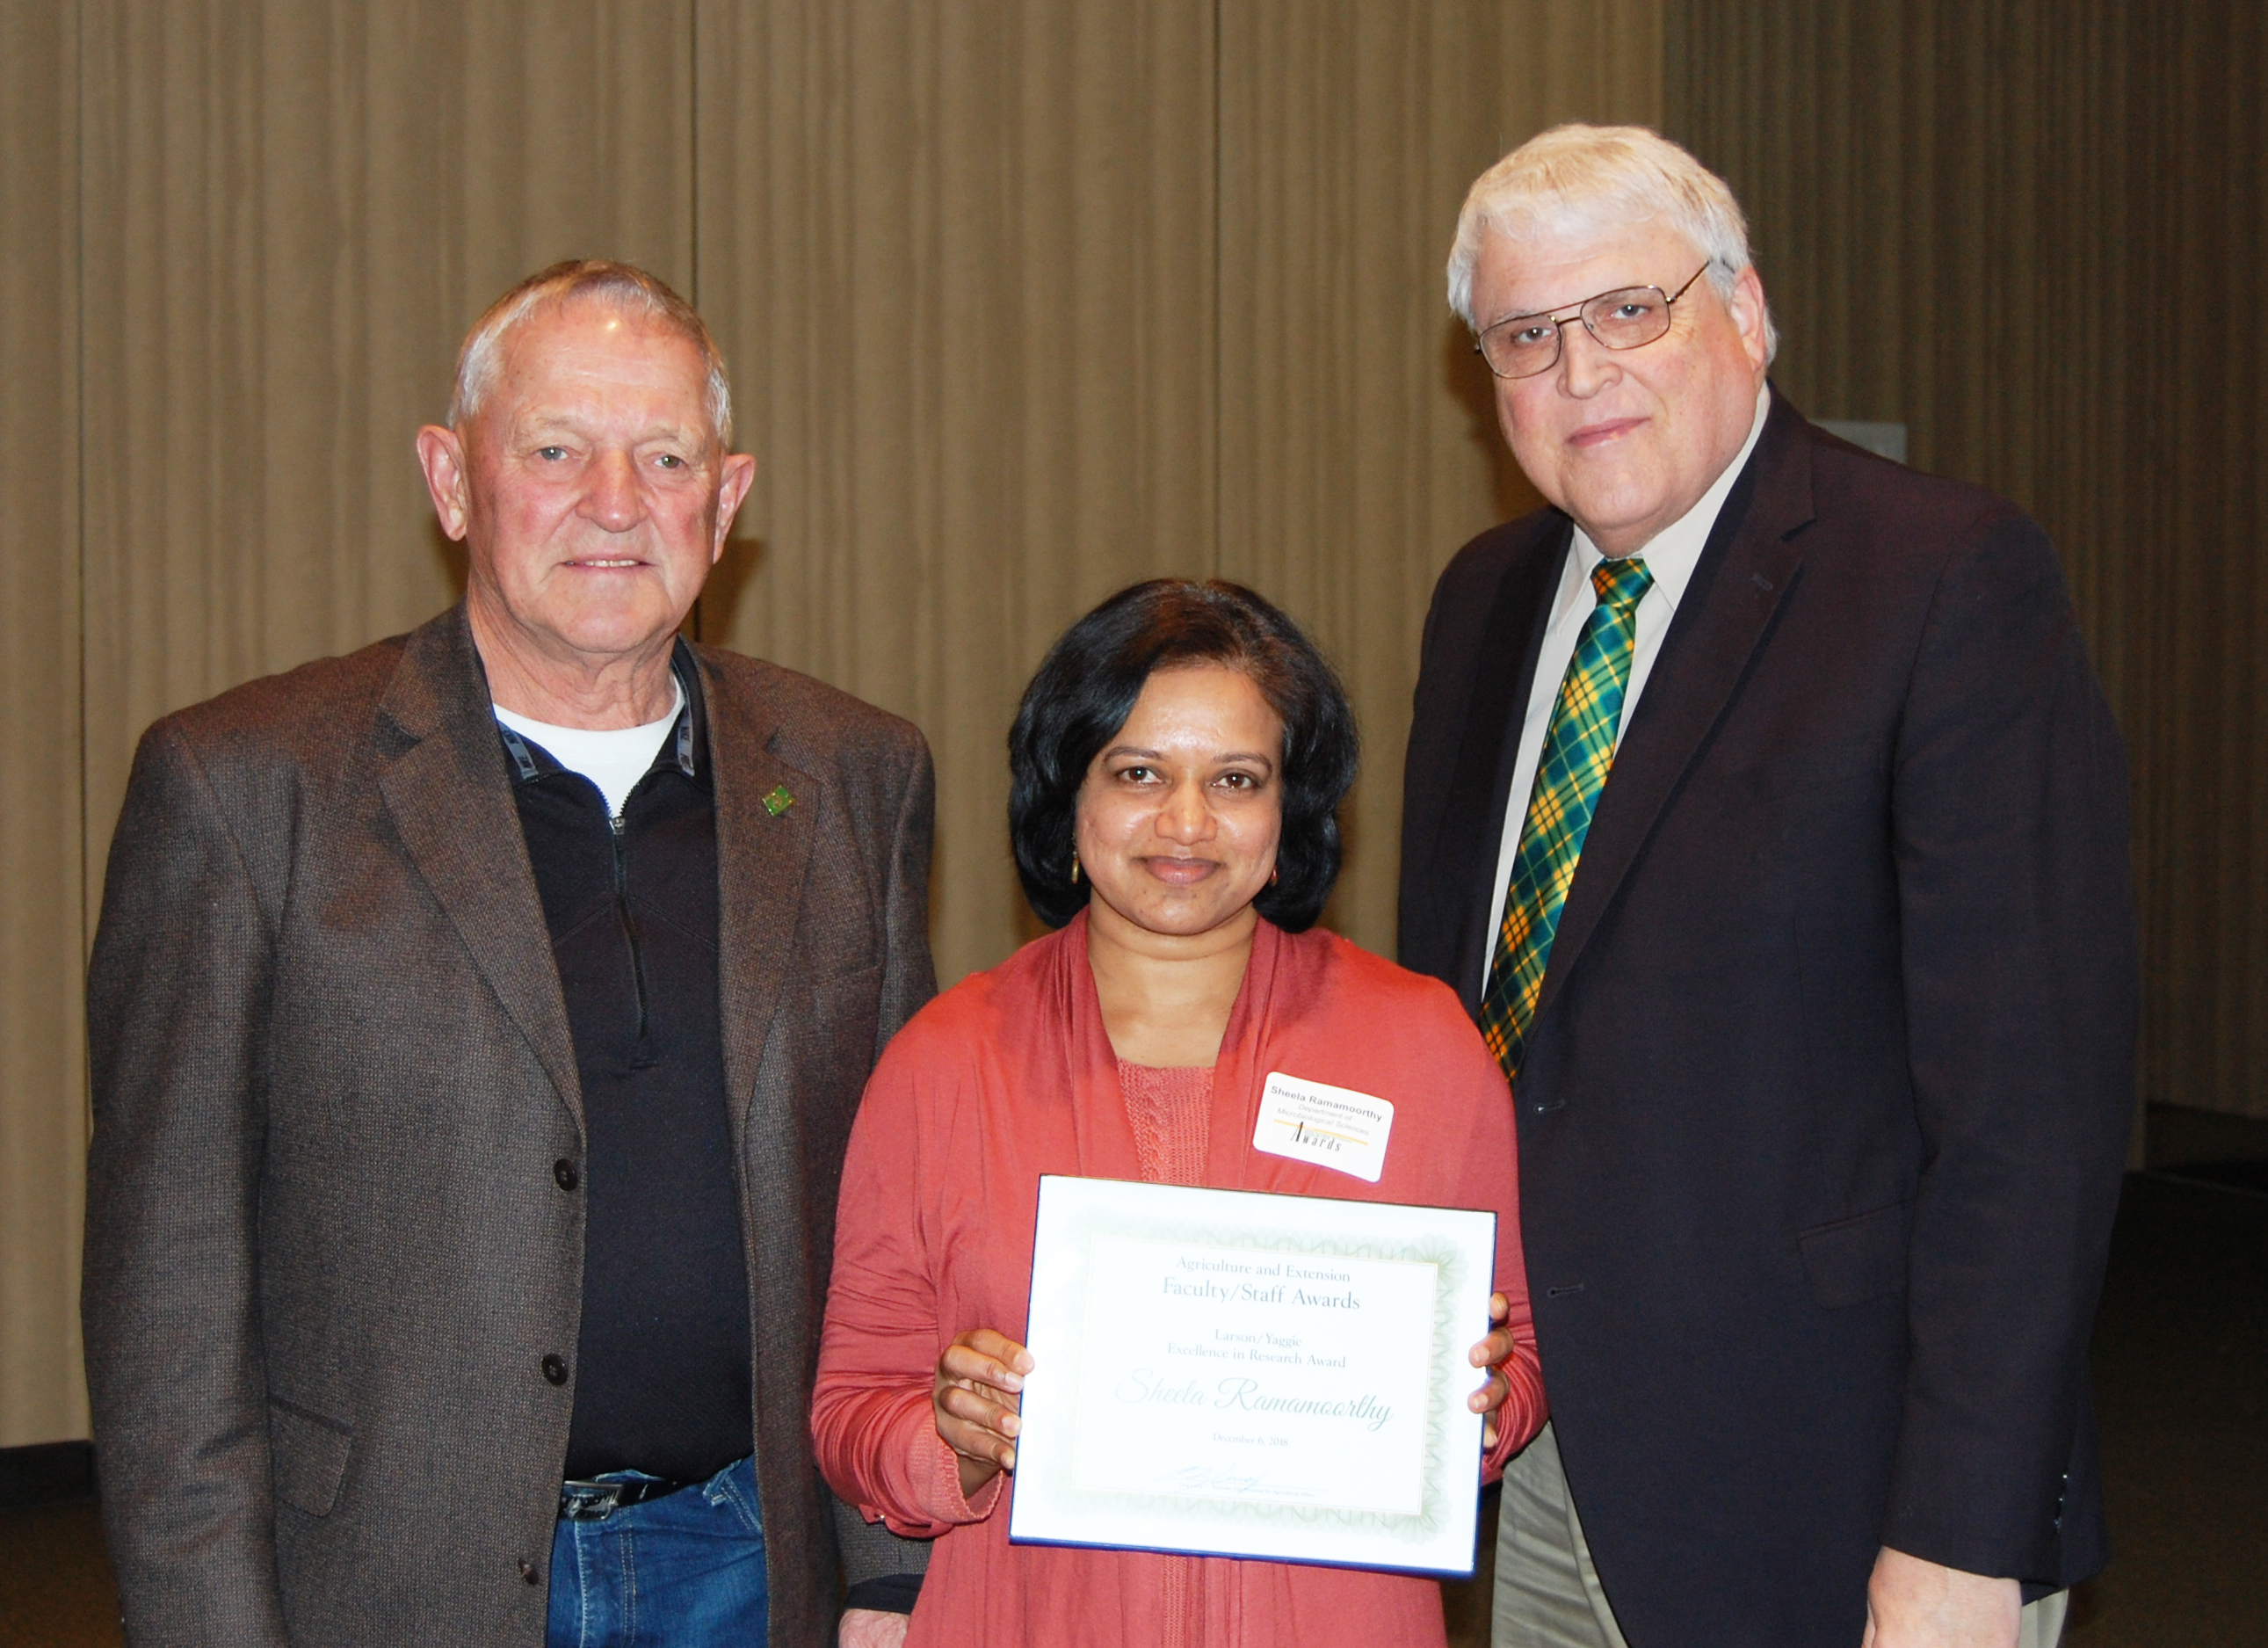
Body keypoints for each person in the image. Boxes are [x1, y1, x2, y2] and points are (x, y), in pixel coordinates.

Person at [83, 261, 931, 1647]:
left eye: (665, 456)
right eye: (555, 450)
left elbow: (895, 1220)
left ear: (726, 501)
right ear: (453, 480)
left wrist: (888, 1573)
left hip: (753, 1562)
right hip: (387, 1585)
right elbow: (165, 1294)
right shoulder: (245, 788)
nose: (615, 500)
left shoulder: (851, 775)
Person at [1397, 125, 2137, 1648]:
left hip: (1843, 1482)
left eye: (1627, 310)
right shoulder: (1480, 604)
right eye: (1527, 335)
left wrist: (1958, 1538)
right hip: (1541, 1463)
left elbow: (2030, 1117)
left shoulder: (1942, 579)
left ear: (1745, 310)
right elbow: (1463, 1033)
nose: (1581, 371)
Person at [811, 579, 1547, 1646]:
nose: (1187, 822)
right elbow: (850, 1405)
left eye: (1236, 779)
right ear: (1070, 794)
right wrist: (951, 1439)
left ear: (1287, 809)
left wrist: (1478, 1397)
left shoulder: (1420, 1050)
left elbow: (1518, 1352)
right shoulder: (945, 1059)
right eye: (1140, 772)